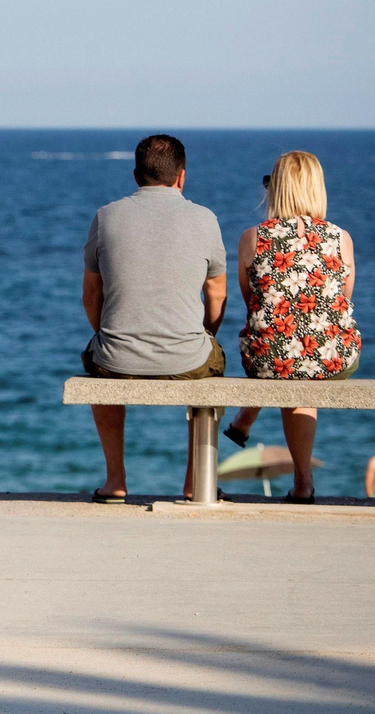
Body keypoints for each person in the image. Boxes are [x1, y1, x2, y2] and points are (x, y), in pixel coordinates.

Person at [81, 135, 228, 503]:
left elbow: (91, 295)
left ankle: (115, 481)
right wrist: (205, 334)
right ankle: (195, 482)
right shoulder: (205, 219)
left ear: (136, 176)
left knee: (100, 359)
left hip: (116, 358)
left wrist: (109, 333)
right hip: (188, 358)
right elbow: (217, 294)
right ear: (181, 176)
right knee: (214, 366)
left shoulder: (106, 216)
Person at [222, 152, 361, 504]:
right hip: (331, 357)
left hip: (269, 358)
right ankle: (303, 482)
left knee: (284, 350)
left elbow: (253, 303)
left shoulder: (252, 238)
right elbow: (342, 301)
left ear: (276, 189)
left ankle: (246, 419)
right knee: (303, 356)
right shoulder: (340, 238)